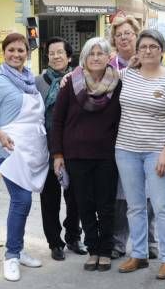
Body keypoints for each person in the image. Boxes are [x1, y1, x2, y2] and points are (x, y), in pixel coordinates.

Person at [115, 29, 165, 280]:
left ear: (162, 51)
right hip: (125, 149)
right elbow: (97, 78)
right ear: (137, 51)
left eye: (153, 47)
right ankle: (139, 254)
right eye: (143, 47)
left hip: (158, 151)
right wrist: (73, 78)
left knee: (161, 205)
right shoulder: (126, 75)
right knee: (134, 206)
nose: (147, 51)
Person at [0, 32, 47, 282]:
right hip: (9, 149)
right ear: (3, 53)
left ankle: (18, 248)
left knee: (24, 202)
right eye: (12, 50)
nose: (16, 54)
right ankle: (11, 256)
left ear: (27, 53)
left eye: (21, 50)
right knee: (21, 200)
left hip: (31, 150)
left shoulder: (30, 80)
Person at [51, 37, 122, 272]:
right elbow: (58, 121)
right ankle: (93, 249)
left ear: (108, 57)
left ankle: (106, 249)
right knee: (85, 204)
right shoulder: (71, 83)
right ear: (84, 57)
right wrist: (58, 154)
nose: (95, 58)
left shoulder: (118, 82)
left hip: (107, 155)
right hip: (76, 154)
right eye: (91, 54)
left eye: (100, 53)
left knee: (106, 204)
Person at [108, 15, 159, 261]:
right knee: (121, 194)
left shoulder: (150, 63)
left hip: (147, 137)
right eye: (119, 35)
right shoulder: (109, 66)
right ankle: (119, 241)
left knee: (148, 193)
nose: (124, 38)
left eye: (128, 33)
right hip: (118, 137)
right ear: (114, 41)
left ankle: (150, 241)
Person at [35, 36, 86, 261]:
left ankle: (74, 237)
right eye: (52, 53)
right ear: (47, 57)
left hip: (73, 146)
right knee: (50, 197)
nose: (56, 56)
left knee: (74, 195)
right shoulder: (38, 82)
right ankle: (55, 242)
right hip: (45, 148)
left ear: (69, 57)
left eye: (60, 53)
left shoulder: (79, 79)